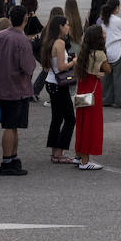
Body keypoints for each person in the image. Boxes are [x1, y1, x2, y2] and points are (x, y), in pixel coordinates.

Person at [0, 5, 36, 177]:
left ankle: (12, 158)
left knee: (12, 125)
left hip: (1, 86)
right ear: (25, 18)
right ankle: (8, 160)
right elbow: (28, 66)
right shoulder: (22, 40)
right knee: (10, 126)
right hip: (16, 88)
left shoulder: (0, 36)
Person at [40, 16, 76, 165]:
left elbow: (48, 66)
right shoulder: (60, 43)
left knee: (57, 118)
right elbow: (61, 67)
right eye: (67, 25)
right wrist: (73, 61)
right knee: (70, 119)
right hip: (58, 84)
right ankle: (59, 153)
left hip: (51, 82)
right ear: (60, 27)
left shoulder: (49, 42)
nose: (68, 27)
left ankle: (55, 152)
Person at [74, 25, 108, 170]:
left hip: (83, 89)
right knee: (91, 124)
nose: (105, 34)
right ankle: (85, 161)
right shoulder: (99, 54)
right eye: (103, 33)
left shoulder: (83, 52)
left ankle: (79, 155)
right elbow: (108, 69)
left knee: (82, 122)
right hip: (93, 91)